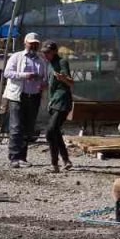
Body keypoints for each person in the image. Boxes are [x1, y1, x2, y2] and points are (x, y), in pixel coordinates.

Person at [3, 33, 47, 168]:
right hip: (18, 96)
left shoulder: (41, 60)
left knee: (28, 127)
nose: (33, 45)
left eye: (36, 43)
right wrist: (25, 75)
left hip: (33, 96)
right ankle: (14, 157)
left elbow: (45, 77)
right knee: (16, 126)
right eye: (31, 43)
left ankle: (23, 157)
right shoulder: (16, 57)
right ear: (25, 43)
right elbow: (7, 73)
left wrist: (43, 83)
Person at [41, 42, 74, 172]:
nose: (45, 55)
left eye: (47, 52)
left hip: (63, 102)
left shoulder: (62, 63)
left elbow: (71, 82)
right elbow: (51, 84)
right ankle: (66, 160)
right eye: (44, 52)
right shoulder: (48, 65)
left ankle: (54, 164)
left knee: (50, 131)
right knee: (55, 132)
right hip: (53, 102)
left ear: (54, 51)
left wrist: (63, 78)